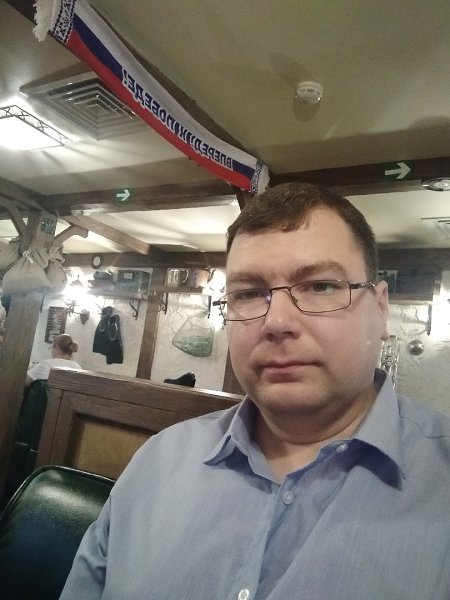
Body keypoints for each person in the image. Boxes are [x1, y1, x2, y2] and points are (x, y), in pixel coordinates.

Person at [60, 183, 450, 600]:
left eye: (320, 286)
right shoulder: (157, 462)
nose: (276, 322)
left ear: (380, 309)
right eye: (247, 294)